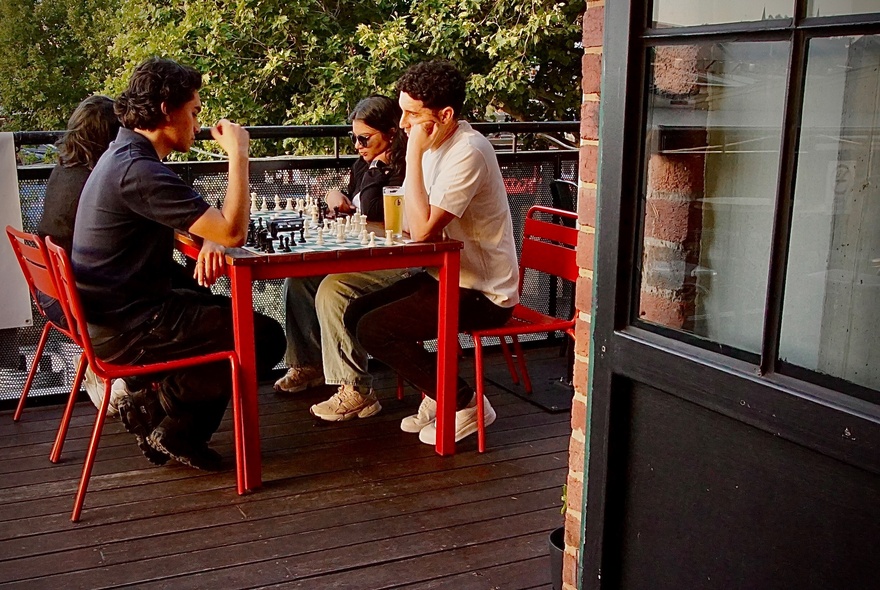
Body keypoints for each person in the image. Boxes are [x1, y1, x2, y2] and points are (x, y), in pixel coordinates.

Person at [71, 57, 285, 469]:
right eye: (194, 111)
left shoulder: (125, 155)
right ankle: (154, 407)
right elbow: (235, 233)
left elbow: (207, 225)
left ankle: (177, 432)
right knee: (262, 336)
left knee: (243, 323)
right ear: (168, 110)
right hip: (130, 326)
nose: (197, 123)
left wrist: (210, 234)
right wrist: (238, 155)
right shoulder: (139, 169)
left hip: (114, 315)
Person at [341, 61, 520, 444]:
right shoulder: (436, 147)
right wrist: (419, 152)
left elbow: (420, 230)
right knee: (356, 312)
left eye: (411, 114)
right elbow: (409, 220)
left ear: (445, 115)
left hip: (485, 292)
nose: (403, 123)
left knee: (376, 329)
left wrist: (417, 150)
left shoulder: (468, 151)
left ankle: (466, 403)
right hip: (446, 275)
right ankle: (441, 393)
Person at [275, 96, 409, 412]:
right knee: (299, 279)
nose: (357, 146)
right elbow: (349, 196)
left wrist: (379, 168)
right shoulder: (364, 163)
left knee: (333, 289)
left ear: (391, 134)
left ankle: (357, 389)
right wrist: (338, 194)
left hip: (400, 259)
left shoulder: (403, 165)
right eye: (354, 138)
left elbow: (376, 209)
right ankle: (310, 365)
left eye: (365, 138)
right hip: (367, 252)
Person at [35, 96, 129, 416]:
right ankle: (128, 379)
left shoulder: (62, 170)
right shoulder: (98, 182)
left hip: (51, 294)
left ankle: (121, 376)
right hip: (80, 306)